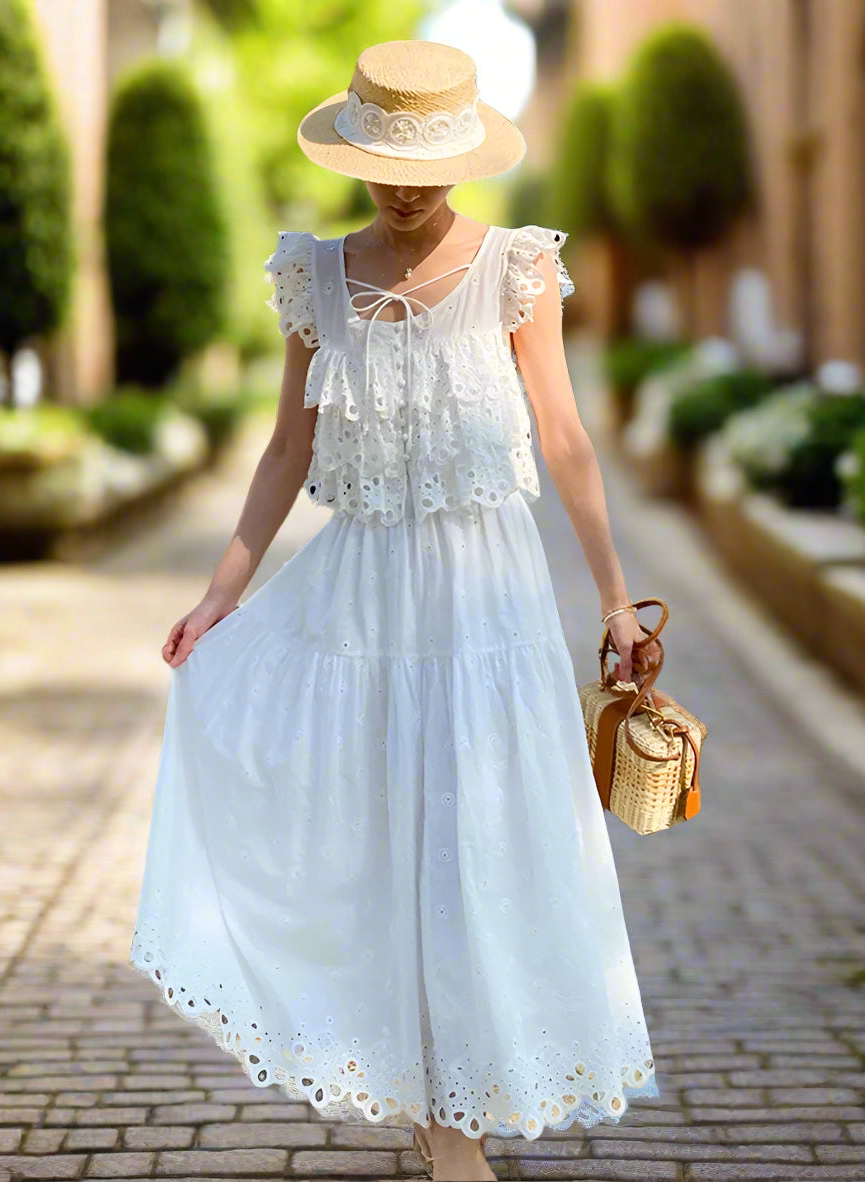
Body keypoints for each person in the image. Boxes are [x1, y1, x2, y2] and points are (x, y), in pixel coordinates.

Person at [129, 39, 661, 1182]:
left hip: (487, 600)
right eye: (384, 164)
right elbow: (285, 447)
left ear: (465, 156)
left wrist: (615, 597)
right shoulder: (313, 275)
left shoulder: (516, 267)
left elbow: (564, 438)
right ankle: (426, 1100)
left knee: (477, 835)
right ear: (354, 151)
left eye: (425, 167)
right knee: (376, 834)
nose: (405, 188)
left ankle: (451, 1116)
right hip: (359, 597)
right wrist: (221, 591)